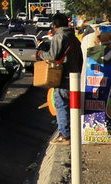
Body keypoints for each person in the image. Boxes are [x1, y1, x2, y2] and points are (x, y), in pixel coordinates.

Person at [38, 13, 78, 143]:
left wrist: (41, 54)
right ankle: (71, 132)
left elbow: (53, 56)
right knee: (73, 106)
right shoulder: (74, 38)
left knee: (61, 105)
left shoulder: (59, 36)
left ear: (55, 26)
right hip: (75, 77)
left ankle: (64, 134)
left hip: (62, 76)